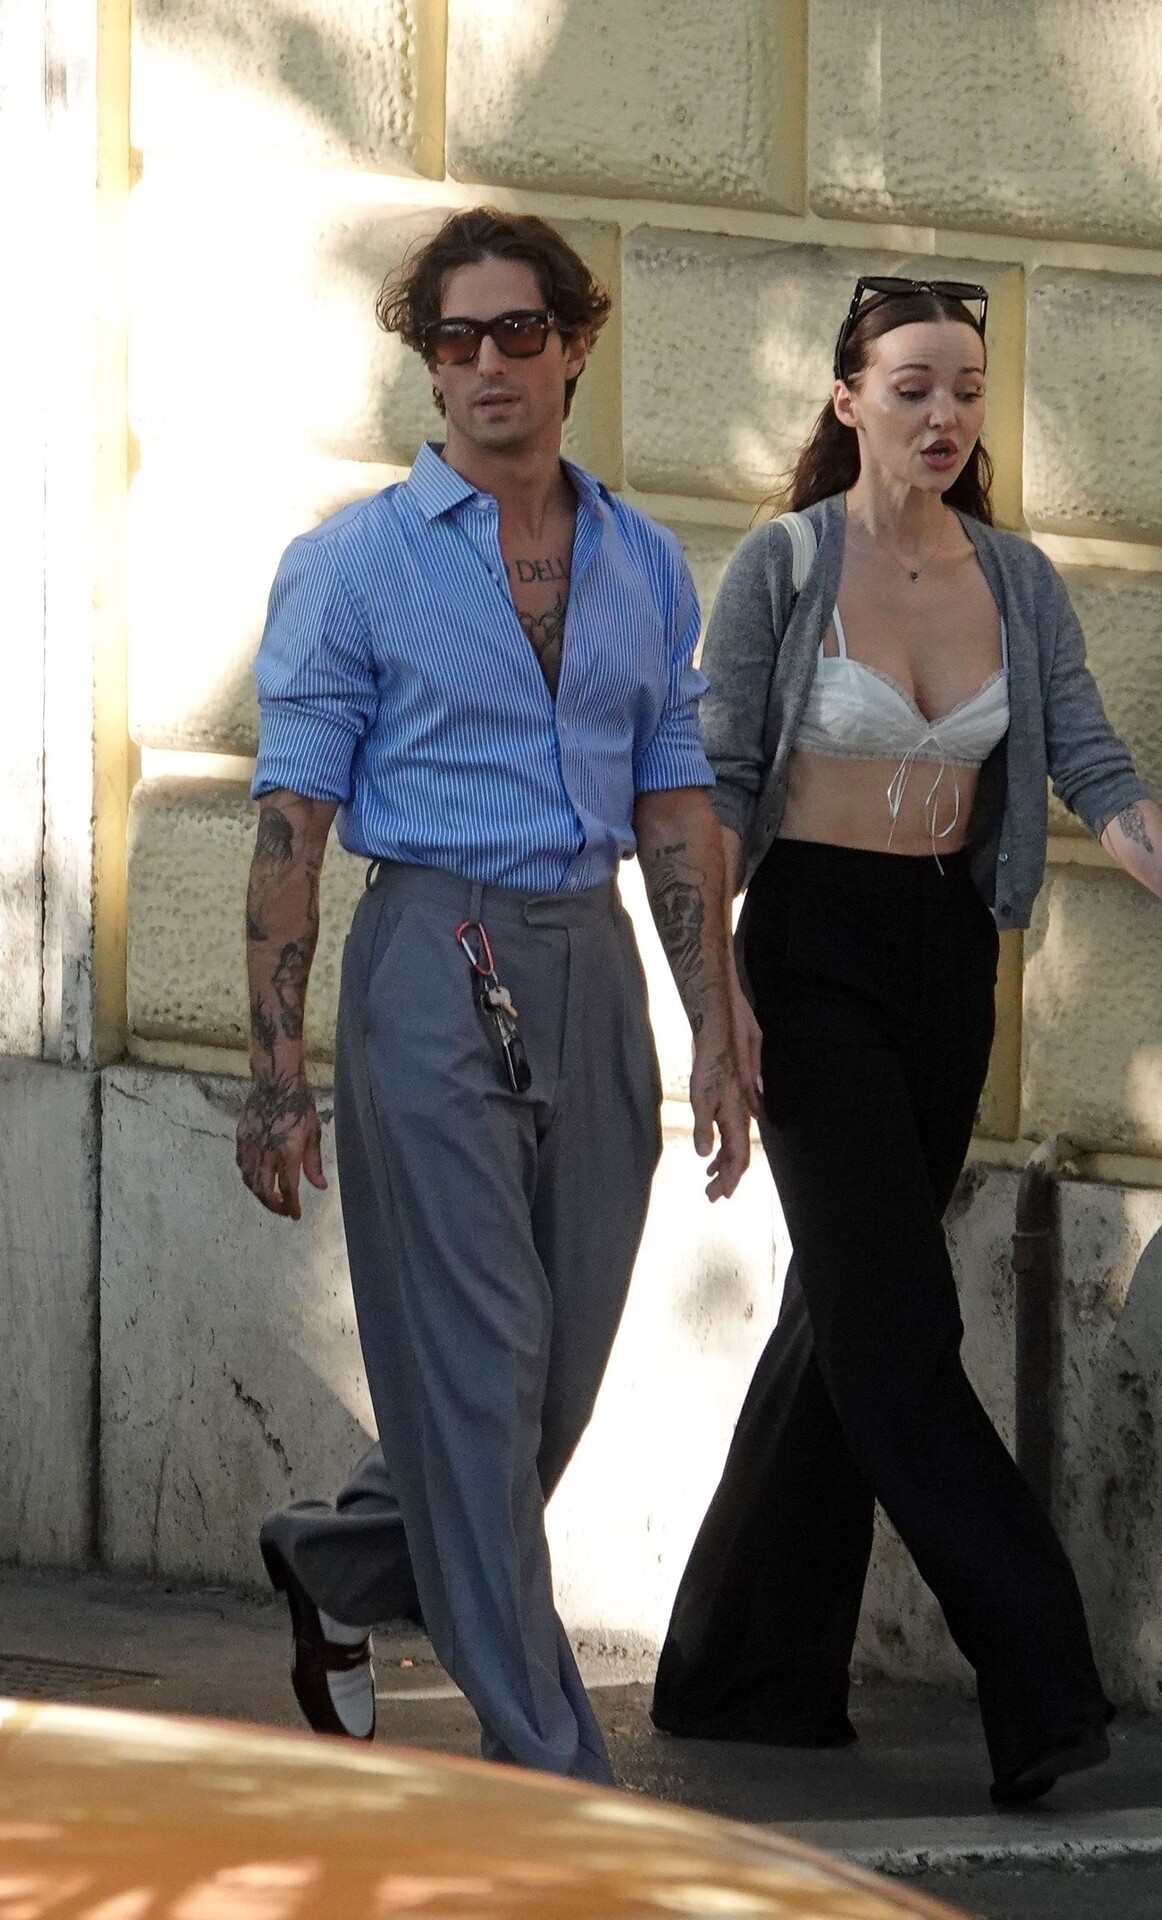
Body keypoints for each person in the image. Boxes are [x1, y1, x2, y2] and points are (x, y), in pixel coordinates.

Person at [650, 275, 1162, 1806]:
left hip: (947, 965)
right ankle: (1042, 1677)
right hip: (811, 955)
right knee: (898, 1325)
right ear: (848, 399)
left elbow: (1095, 771)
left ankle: (743, 1672)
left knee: (847, 1313)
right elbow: (715, 793)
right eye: (913, 386)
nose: (945, 415)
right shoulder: (786, 569)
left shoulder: (1015, 580)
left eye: (969, 389)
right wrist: (716, 1006)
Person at [235, 207, 751, 1784]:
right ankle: (556, 1778)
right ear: (429, 365)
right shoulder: (351, 566)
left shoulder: (642, 561)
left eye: (517, 332)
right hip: (429, 960)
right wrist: (275, 1072)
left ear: (574, 345)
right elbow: (289, 828)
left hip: (591, 960)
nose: (485, 366)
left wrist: (717, 1022)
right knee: (481, 1365)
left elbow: (675, 803)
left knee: (546, 1380)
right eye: (453, 341)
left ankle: (341, 1563)